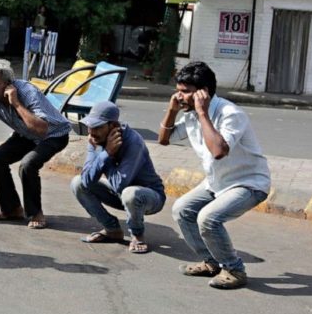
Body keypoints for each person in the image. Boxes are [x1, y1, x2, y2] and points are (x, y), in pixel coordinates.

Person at [158, 61, 270, 289]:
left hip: (248, 184)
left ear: (203, 93)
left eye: (185, 92)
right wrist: (172, 110)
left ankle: (234, 269)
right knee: (182, 210)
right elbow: (164, 139)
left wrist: (202, 113)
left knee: (208, 218)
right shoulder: (189, 113)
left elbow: (219, 151)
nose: (179, 97)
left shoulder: (230, 114)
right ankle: (211, 262)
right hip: (216, 182)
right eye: (178, 91)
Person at [0, 59, 70, 229]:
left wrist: (16, 103)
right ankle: (12, 209)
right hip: (26, 134)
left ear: (8, 84)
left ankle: (36, 213)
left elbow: (41, 130)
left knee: (28, 164)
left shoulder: (27, 91)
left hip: (53, 135)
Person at [71, 101, 166, 253]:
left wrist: (107, 154)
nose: (92, 132)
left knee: (130, 193)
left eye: (98, 127)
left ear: (113, 126)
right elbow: (87, 180)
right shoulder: (96, 140)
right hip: (121, 195)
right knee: (77, 183)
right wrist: (105, 154)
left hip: (149, 197)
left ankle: (137, 234)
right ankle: (112, 229)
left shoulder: (133, 143)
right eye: (90, 126)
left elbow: (119, 185)